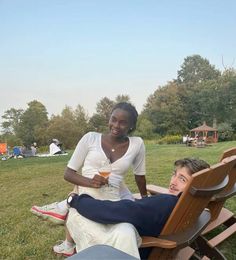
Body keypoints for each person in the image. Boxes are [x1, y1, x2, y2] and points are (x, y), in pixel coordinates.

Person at [30, 102, 148, 257]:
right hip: (85, 203)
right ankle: (66, 212)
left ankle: (62, 209)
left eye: (123, 122)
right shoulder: (90, 138)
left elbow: (139, 176)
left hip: (113, 205)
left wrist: (145, 199)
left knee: (125, 232)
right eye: (113, 119)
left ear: (131, 125)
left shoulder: (137, 144)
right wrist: (90, 182)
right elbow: (68, 173)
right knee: (96, 235)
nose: (116, 125)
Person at [66, 158, 210, 259]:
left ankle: (63, 211)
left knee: (74, 214)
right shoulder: (193, 206)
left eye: (182, 179)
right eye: (175, 174)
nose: (173, 182)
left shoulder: (168, 202)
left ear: (195, 187)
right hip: (151, 238)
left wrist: (75, 200)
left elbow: (111, 211)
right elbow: (136, 209)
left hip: (136, 250)